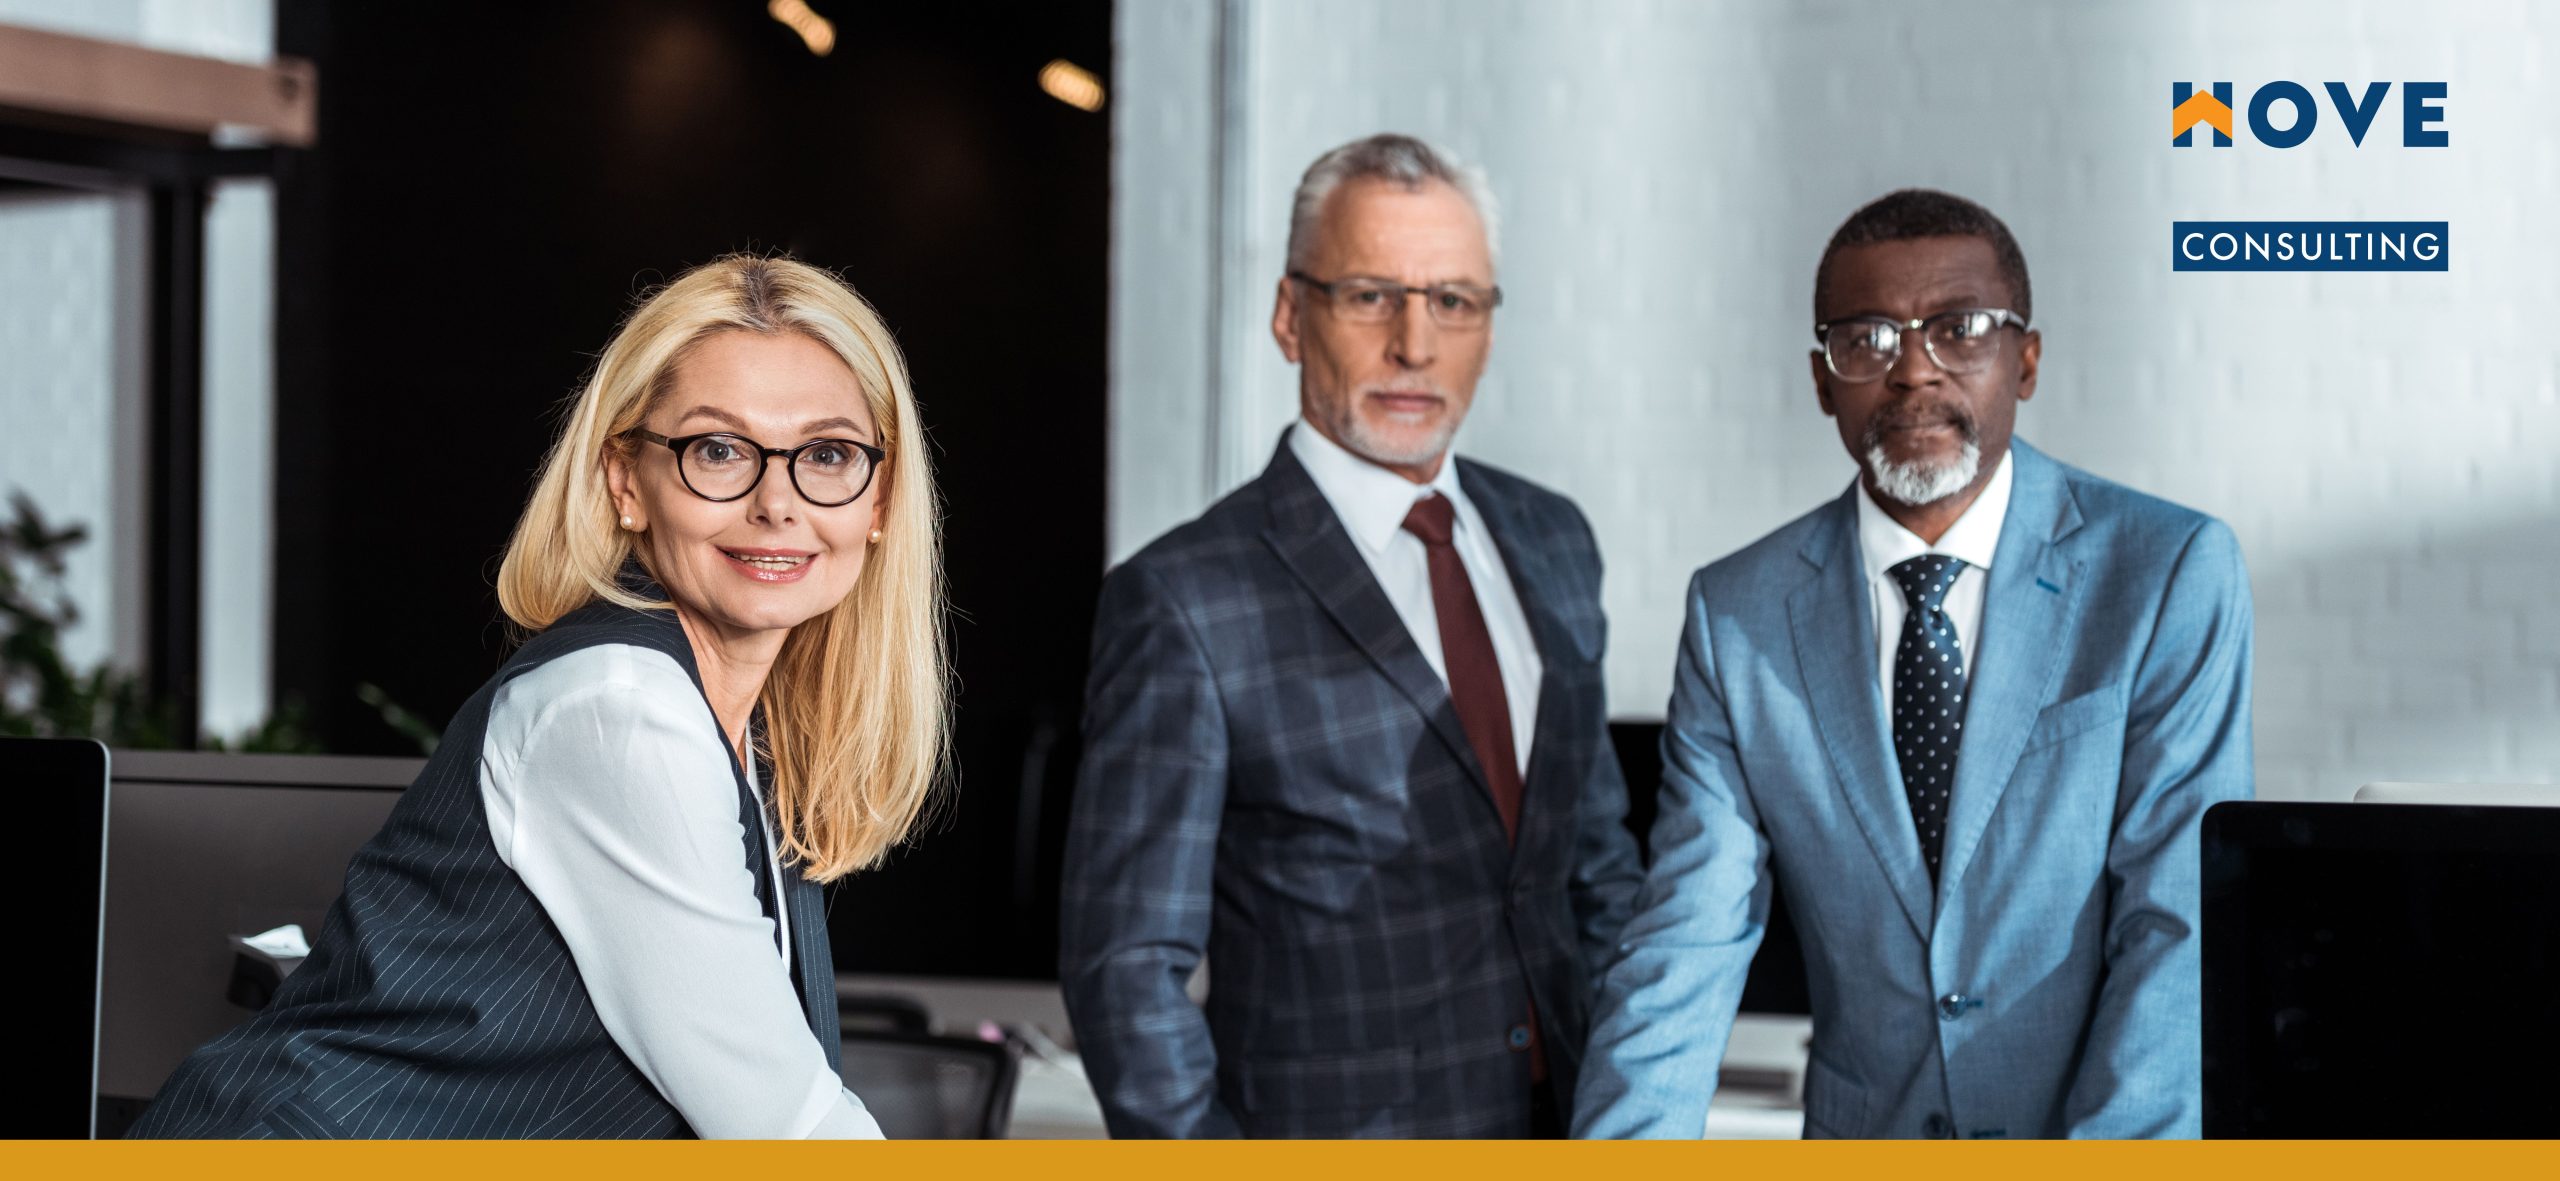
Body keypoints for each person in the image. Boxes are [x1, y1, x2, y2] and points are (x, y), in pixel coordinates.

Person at [129, 255, 949, 1139]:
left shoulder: (735, 735)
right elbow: (784, 1121)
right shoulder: (619, 711)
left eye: (827, 454)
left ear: (879, 499)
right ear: (626, 482)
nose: (777, 502)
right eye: (718, 450)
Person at [1574, 190, 2254, 1140]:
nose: (1912, 371)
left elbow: (2175, 926)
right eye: (1866, 338)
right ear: (1821, 379)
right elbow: (1687, 937)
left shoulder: (2165, 574)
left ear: (2026, 360)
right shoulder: (1738, 615)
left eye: (1960, 329)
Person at [1059, 133, 1645, 1139]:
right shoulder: (1184, 597)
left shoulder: (1553, 540)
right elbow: (1126, 970)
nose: (1414, 343)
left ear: (1487, 329)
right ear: (1292, 316)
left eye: (1452, 301)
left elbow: (1595, 870)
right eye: (1371, 294)